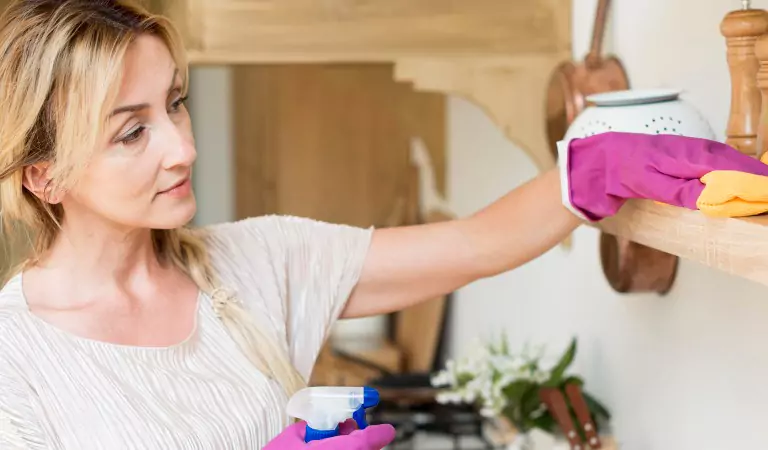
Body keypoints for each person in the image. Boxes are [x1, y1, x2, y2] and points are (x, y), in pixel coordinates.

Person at [1, 1, 768, 449]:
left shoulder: (256, 263)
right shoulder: (15, 360)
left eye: (174, 102)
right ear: (44, 175)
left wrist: (589, 170)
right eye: (131, 131)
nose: (183, 147)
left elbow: (470, 246)